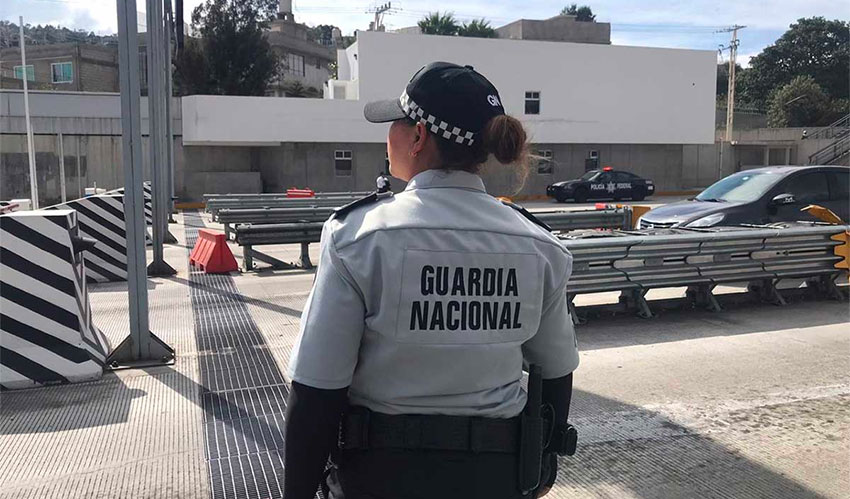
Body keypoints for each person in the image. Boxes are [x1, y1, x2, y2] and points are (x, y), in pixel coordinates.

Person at [284, 62, 579, 499]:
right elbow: (555, 375)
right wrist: (537, 471)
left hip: (379, 479)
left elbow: (316, 393)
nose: (388, 137)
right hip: (497, 479)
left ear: (419, 137)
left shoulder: (358, 238)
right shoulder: (539, 247)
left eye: (395, 124)